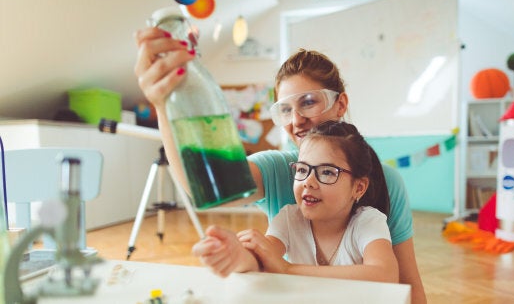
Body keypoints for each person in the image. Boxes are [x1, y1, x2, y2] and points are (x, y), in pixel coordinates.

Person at [134, 27, 427, 303]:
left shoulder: (382, 188)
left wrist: (284, 269)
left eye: (308, 102)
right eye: (285, 109)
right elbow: (206, 189)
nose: (296, 120)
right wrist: (165, 102)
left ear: (340, 104)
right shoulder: (280, 174)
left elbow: (405, 279)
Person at [192, 121, 399, 282]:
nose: (308, 182)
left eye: (327, 172)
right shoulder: (290, 218)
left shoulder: (367, 221)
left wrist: (287, 269)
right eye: (302, 169)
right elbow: (262, 258)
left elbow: (384, 275)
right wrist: (236, 255)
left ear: (359, 187)